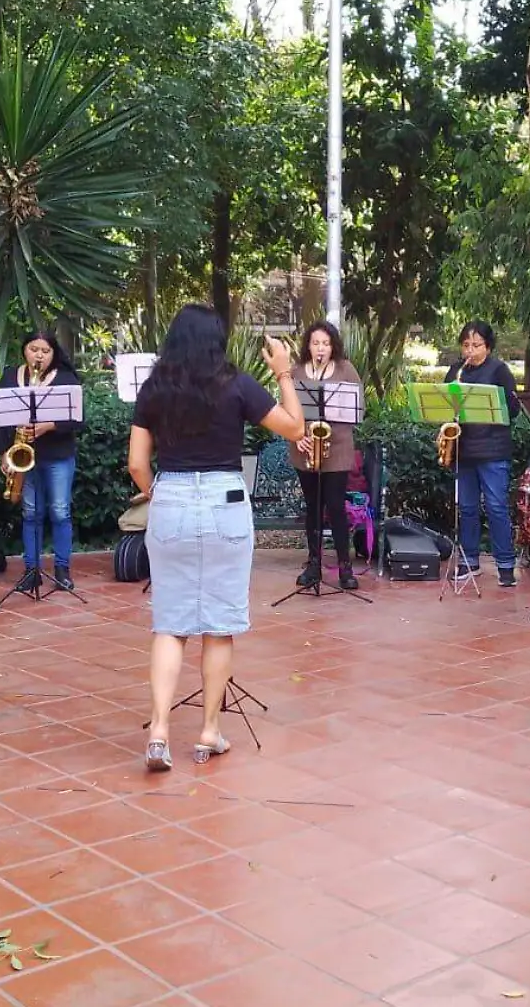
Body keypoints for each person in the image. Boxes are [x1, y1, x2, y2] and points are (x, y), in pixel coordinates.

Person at [129, 305, 304, 771]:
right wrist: (284, 373)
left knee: (169, 623)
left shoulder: (155, 389)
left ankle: (160, 734)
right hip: (226, 501)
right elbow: (294, 427)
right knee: (219, 624)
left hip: (171, 499)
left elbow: (136, 463)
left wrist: (159, 494)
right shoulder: (237, 384)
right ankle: (208, 732)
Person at [0, 330, 82, 592]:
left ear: (54, 354)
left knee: (59, 511)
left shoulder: (66, 379)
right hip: (24, 454)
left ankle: (62, 570)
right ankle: (31, 571)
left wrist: (48, 426)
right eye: (34, 349)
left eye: (45, 351)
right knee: (31, 514)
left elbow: (79, 420)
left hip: (58, 455)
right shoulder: (11, 376)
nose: (39, 356)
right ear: (24, 350)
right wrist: (4, 452)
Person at [444, 322, 524, 587]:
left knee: (496, 507)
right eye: (465, 345)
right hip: (463, 450)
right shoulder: (456, 371)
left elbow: (513, 410)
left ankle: (505, 565)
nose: (470, 350)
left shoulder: (499, 370)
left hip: (493, 451)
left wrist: (503, 402)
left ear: (488, 346)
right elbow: (444, 404)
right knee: (466, 508)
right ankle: (470, 562)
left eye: (476, 345)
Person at [288, 321, 364, 591]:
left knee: (335, 506)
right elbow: (287, 411)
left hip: (338, 445)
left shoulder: (346, 369)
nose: (321, 348)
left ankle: (345, 567)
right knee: (312, 507)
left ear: (333, 346)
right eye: (316, 343)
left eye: (326, 343)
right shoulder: (296, 371)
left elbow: (358, 409)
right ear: (308, 345)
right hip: (304, 446)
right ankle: (313, 564)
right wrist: (299, 437)